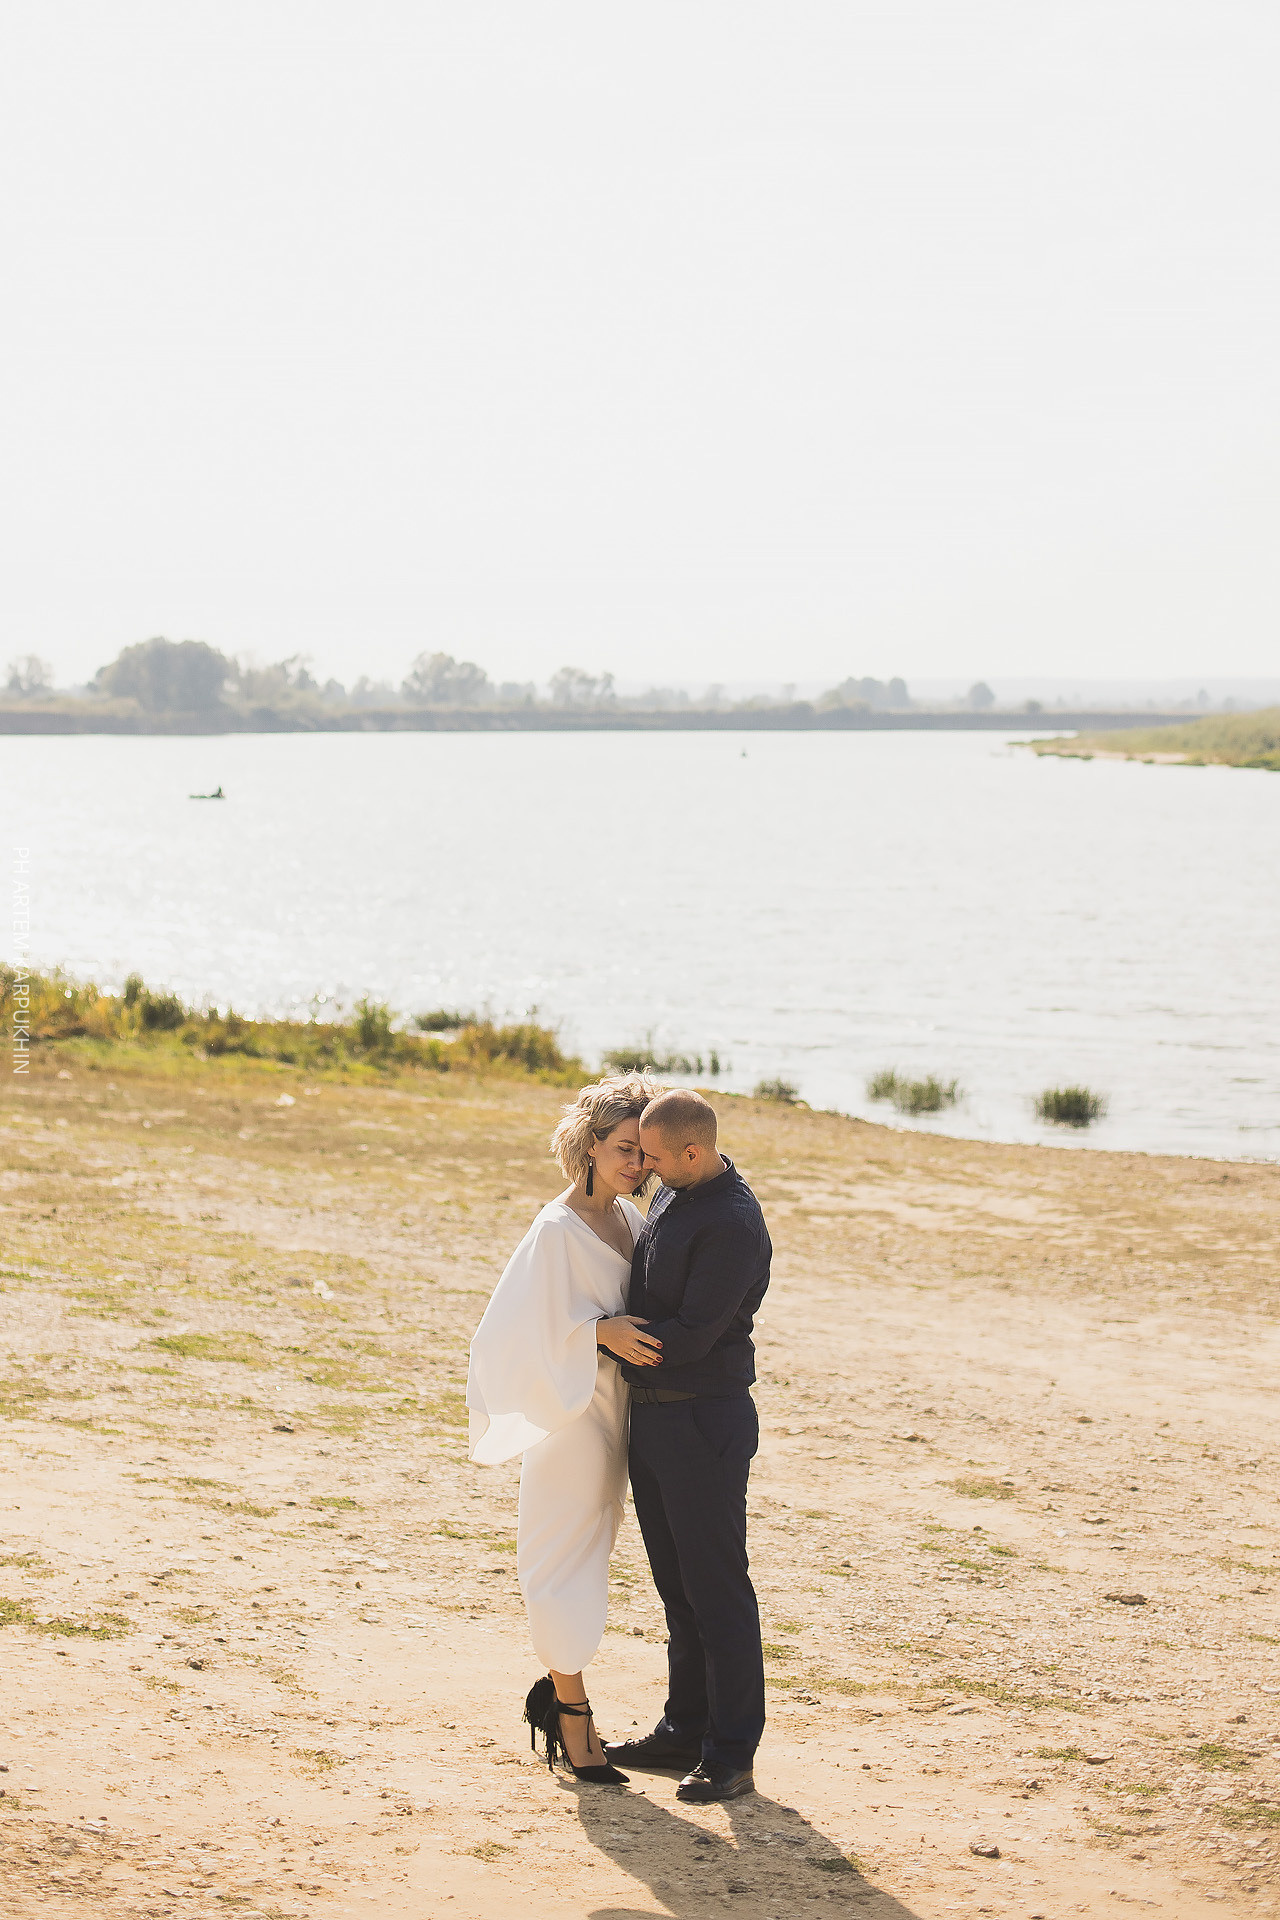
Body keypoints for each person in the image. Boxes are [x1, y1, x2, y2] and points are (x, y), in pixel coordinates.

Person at [465, 1073, 661, 1785]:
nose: (636, 1164)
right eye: (623, 1148)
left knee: (597, 1548)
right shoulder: (554, 1230)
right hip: (567, 1412)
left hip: (618, 1414)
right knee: (561, 1560)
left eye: (646, 1151)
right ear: (588, 1144)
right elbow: (510, 1335)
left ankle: (557, 1696)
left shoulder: (634, 1222)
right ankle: (571, 1713)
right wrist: (598, 1333)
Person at [603, 1088, 772, 1803]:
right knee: (678, 1588)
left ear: (693, 1153)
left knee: (717, 1590)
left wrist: (593, 1341)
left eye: (654, 1156)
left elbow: (691, 1337)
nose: (643, 1165)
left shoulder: (732, 1223)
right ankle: (683, 1729)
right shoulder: (676, 1190)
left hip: (705, 1420)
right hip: (658, 1420)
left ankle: (732, 1752)